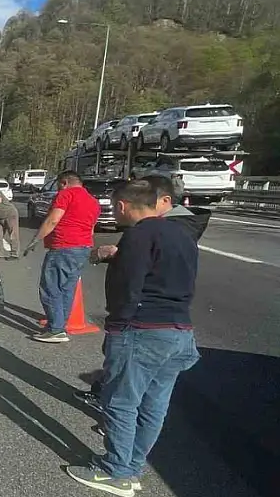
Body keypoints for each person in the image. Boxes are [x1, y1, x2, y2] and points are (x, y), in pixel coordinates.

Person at [66, 180, 200, 497]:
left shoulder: (139, 234)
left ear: (124, 206)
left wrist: (116, 326)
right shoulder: (182, 234)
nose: (114, 213)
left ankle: (116, 471)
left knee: (120, 402)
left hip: (142, 330)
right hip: (179, 330)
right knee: (154, 405)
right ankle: (133, 465)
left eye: (114, 207)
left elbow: (129, 286)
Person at [75, 174, 211, 410]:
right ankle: (132, 438)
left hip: (144, 322)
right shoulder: (174, 230)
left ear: (165, 200)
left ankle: (119, 432)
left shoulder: (158, 229)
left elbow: (133, 282)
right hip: (172, 323)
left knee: (125, 401)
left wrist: (116, 325)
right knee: (154, 401)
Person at [23, 171, 100, 343]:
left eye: (59, 184)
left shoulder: (65, 195)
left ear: (64, 182)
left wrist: (35, 241)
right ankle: (59, 325)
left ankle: (56, 329)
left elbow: (53, 220)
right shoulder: (93, 201)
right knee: (67, 288)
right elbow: (91, 227)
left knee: (50, 288)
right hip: (83, 247)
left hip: (63, 246)